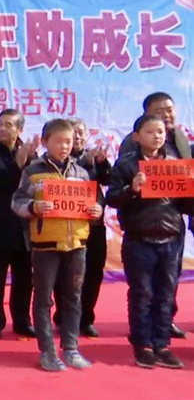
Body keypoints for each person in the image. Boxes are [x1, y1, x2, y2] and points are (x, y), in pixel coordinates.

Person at [11, 119, 102, 372]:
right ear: (45, 142)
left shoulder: (81, 173)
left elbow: (94, 205)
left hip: (77, 244)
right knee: (43, 299)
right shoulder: (33, 171)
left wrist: (96, 211)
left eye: (68, 142)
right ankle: (48, 351)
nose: (64, 146)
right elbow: (17, 201)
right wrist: (33, 207)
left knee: (73, 297)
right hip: (45, 245)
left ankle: (71, 348)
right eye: (59, 141)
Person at [106, 115, 189, 369]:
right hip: (139, 239)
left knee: (166, 294)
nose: (157, 136)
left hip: (171, 238)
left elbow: (186, 206)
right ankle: (142, 345)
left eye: (161, 132)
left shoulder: (176, 165)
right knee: (142, 294)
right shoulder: (126, 165)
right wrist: (132, 189)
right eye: (150, 132)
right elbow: (112, 199)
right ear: (137, 136)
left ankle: (161, 345)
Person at [118, 92, 189, 339]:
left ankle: (165, 324)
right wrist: (134, 189)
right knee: (143, 289)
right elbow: (122, 185)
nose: (166, 115)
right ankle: (143, 336)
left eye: (169, 109)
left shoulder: (180, 137)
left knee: (169, 281)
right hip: (142, 224)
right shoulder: (132, 145)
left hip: (172, 221)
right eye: (159, 111)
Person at [0, 109, 38, 339]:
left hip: (25, 226)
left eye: (8, 125)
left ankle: (22, 321)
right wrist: (17, 164)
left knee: (25, 278)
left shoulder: (32, 155)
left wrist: (28, 160)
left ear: (20, 130)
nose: (2, 128)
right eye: (0, 123)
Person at [52, 118, 111, 338]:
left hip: (93, 225)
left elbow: (108, 180)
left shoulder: (94, 158)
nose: (77, 137)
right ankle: (64, 317)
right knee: (64, 275)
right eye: (73, 133)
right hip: (66, 226)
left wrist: (102, 164)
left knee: (93, 273)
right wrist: (85, 162)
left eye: (81, 133)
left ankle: (86, 318)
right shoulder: (56, 160)